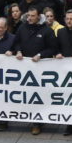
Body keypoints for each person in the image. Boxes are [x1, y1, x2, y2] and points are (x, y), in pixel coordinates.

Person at [13, 7, 58, 135]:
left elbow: (53, 49)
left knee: (37, 96)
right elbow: (16, 43)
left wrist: (40, 55)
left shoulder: (47, 31)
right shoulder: (22, 28)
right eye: (29, 16)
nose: (30, 18)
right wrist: (19, 51)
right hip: (25, 68)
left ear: (39, 16)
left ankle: (37, 123)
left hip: (40, 69)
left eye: (33, 16)